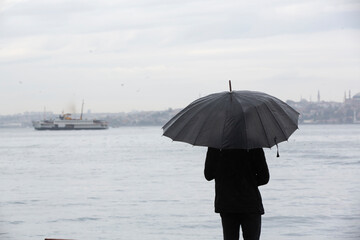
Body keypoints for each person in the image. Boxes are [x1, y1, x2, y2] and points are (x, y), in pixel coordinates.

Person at [204, 147, 270, 240]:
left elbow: (208, 175)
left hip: (227, 203)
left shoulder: (216, 146)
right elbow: (264, 178)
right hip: (250, 203)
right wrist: (249, 182)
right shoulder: (253, 146)